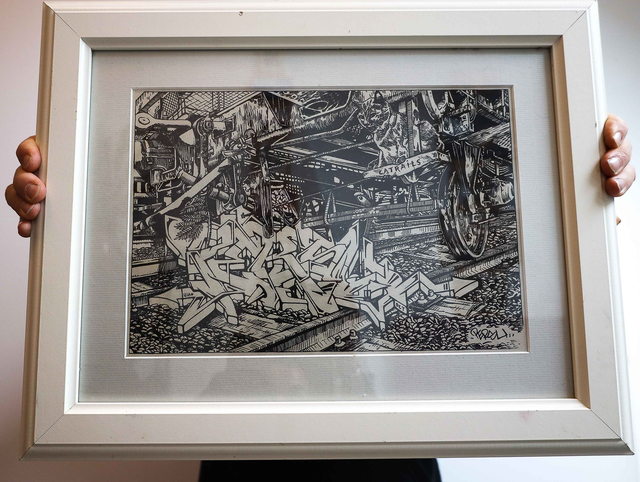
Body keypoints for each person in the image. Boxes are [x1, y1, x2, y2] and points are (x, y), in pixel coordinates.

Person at [4, 115, 635, 481]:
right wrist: (73, 208)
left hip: (391, 447)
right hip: (244, 444)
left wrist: (575, 194)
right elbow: (126, 342)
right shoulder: (251, 221)